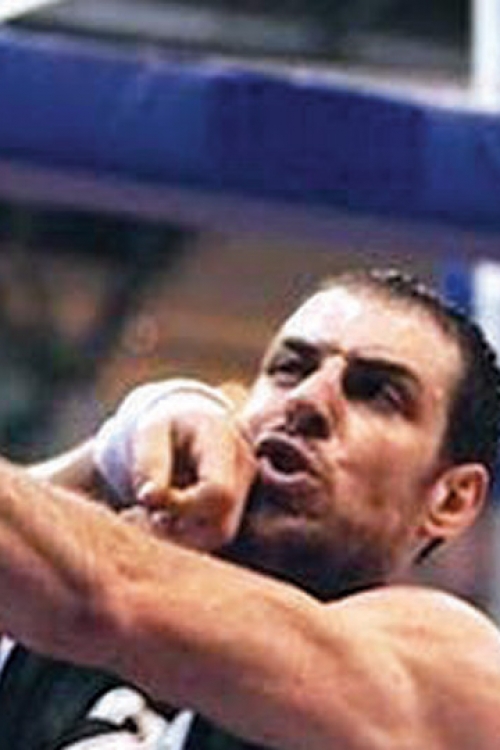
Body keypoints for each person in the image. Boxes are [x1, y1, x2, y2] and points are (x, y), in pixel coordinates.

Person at [0, 267, 500, 749]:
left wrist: (126, 436)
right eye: (290, 368)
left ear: (451, 498)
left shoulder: (459, 674)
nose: (307, 400)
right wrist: (112, 453)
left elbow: (101, 593)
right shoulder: (55, 630)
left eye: (377, 393)